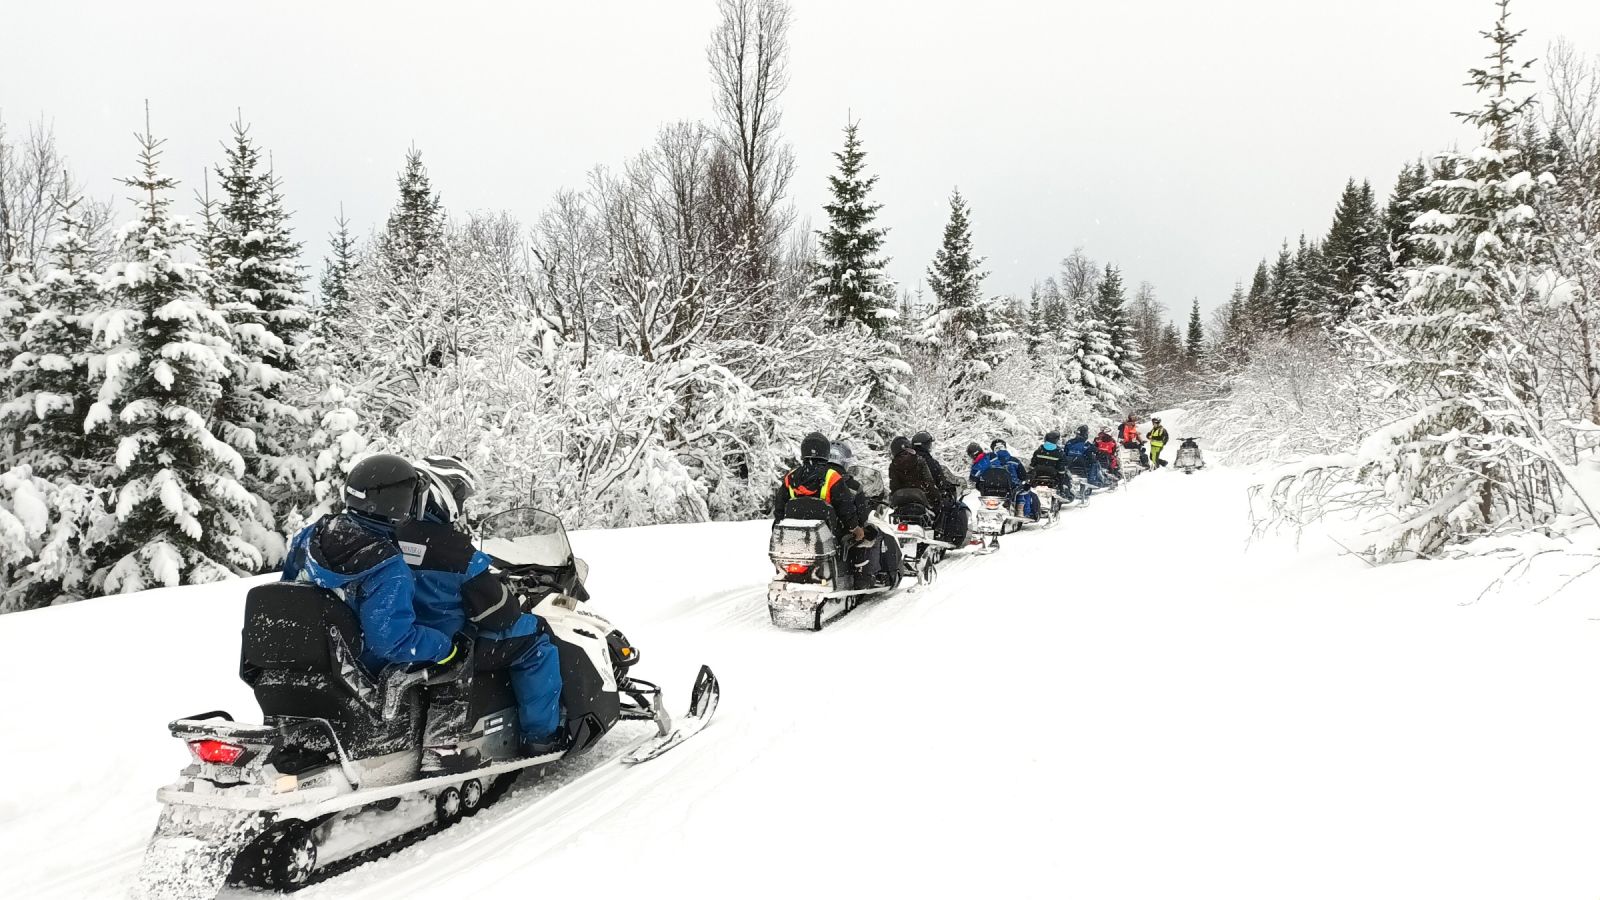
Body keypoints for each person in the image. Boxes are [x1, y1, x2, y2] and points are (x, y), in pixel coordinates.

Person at [399, 455, 566, 770]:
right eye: (460, 493)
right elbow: (501, 616)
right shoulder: (455, 548)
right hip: (452, 644)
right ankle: (541, 737)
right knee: (536, 637)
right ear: (441, 493)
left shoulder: (394, 534)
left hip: (405, 640)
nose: (462, 502)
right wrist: (505, 592)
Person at [281, 454, 456, 675]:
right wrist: (444, 647)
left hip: (300, 658)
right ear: (398, 505)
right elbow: (389, 642)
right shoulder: (389, 569)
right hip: (354, 675)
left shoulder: (312, 535)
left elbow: (287, 590)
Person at [912, 431, 970, 546]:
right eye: (929, 444)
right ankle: (941, 534)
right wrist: (946, 487)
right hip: (926, 496)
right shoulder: (929, 461)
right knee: (949, 506)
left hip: (907, 496)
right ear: (926, 445)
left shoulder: (905, 460)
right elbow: (938, 478)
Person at [974, 439, 1038, 518]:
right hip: (1010, 486)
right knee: (1024, 490)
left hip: (990, 486)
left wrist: (979, 482)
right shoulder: (1014, 461)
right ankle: (1020, 510)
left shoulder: (988, 461)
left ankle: (986, 511)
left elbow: (979, 474)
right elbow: (1022, 476)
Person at [889, 435, 940, 508]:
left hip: (903, 503)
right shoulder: (919, 460)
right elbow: (929, 482)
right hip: (921, 500)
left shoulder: (893, 465)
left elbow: (894, 486)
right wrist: (936, 499)